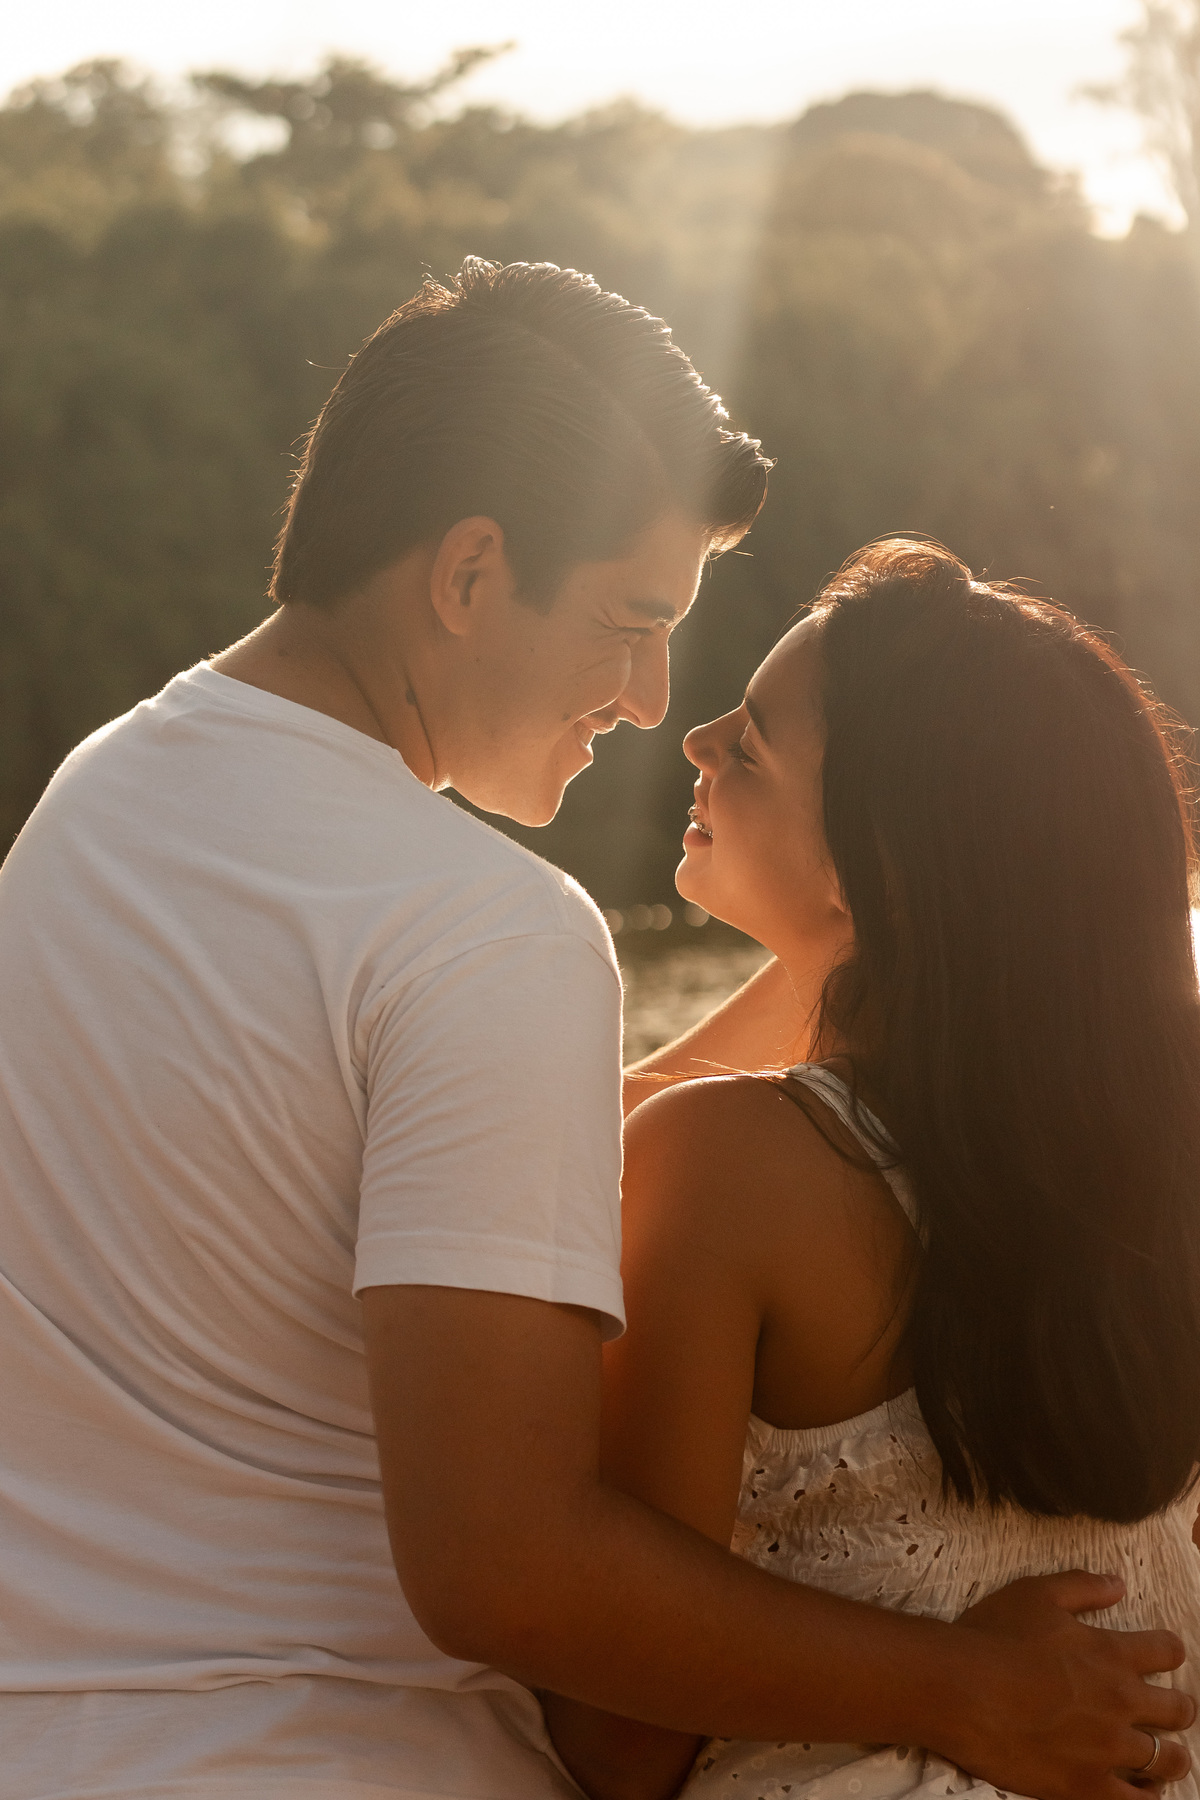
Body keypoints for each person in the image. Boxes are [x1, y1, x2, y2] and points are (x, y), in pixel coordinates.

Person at [0, 266, 1188, 1800]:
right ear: (472, 570)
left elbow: (453, 1150)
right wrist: (969, 1688)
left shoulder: (96, 809)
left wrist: (871, 950)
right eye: (632, 621)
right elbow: (505, 1565)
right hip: (342, 1760)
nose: (648, 698)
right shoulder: (486, 929)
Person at [543, 538, 1200, 1800]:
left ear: (875, 868)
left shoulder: (728, 1171)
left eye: (754, 740)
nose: (698, 740)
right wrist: (840, 944)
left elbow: (615, 1742)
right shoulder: (1146, 1159)